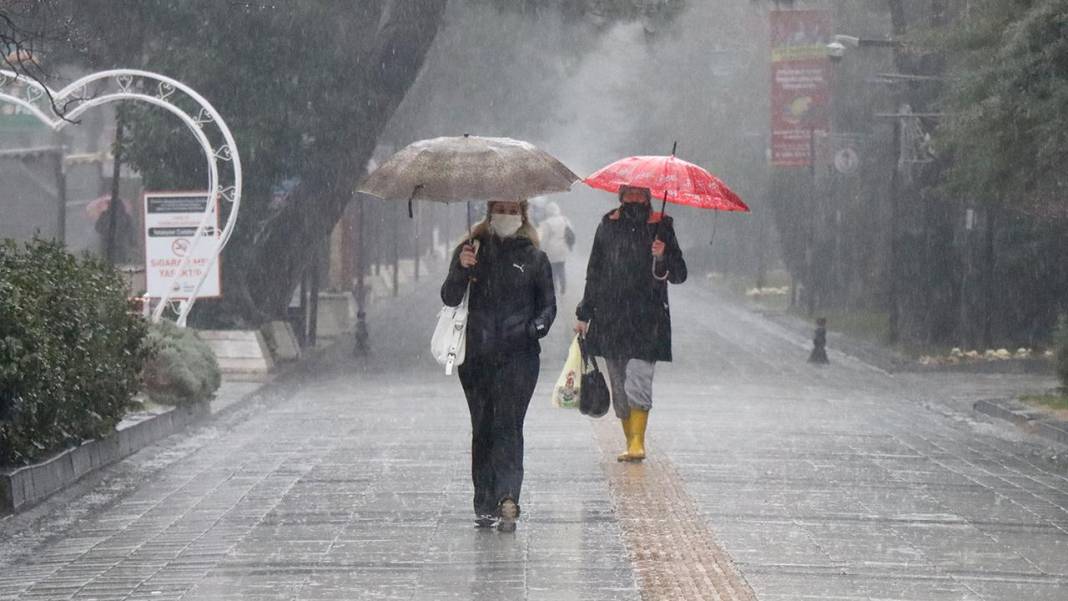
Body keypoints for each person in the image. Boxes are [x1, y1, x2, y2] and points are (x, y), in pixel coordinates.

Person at [441, 199, 556, 531]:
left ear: (522, 215)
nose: (506, 215)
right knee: (483, 427)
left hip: (519, 358)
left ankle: (507, 497)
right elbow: (449, 297)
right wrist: (462, 269)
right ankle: (484, 501)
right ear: (489, 213)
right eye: (500, 208)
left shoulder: (535, 258)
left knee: (508, 424)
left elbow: (548, 307)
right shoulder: (471, 251)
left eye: (512, 209)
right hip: (476, 355)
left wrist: (532, 329)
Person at [574, 185, 687, 463]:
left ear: (648, 197)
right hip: (611, 317)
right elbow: (595, 272)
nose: (634, 199)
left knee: (638, 379)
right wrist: (584, 313)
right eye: (629, 193)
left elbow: (679, 274)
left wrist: (663, 255)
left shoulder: (662, 226)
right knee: (619, 385)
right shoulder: (607, 224)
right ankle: (629, 439)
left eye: (640, 194)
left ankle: (638, 442)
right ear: (620, 195)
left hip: (648, 319)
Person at [537, 201, 575, 295]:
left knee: (553, 270)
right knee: (561, 268)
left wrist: (542, 250)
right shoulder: (565, 220)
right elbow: (570, 232)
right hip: (563, 249)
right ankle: (563, 288)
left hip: (551, 250)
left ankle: (555, 289)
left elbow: (544, 239)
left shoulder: (546, 223)